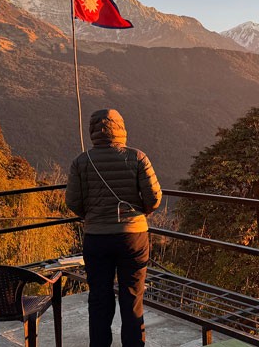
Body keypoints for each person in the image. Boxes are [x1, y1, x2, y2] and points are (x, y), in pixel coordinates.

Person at [66, 109, 162, 347]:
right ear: (121, 128)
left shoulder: (81, 161)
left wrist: (93, 216)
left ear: (92, 131)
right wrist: (141, 212)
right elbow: (154, 198)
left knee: (99, 297)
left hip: (97, 238)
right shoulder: (138, 157)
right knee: (132, 297)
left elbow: (73, 202)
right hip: (133, 237)